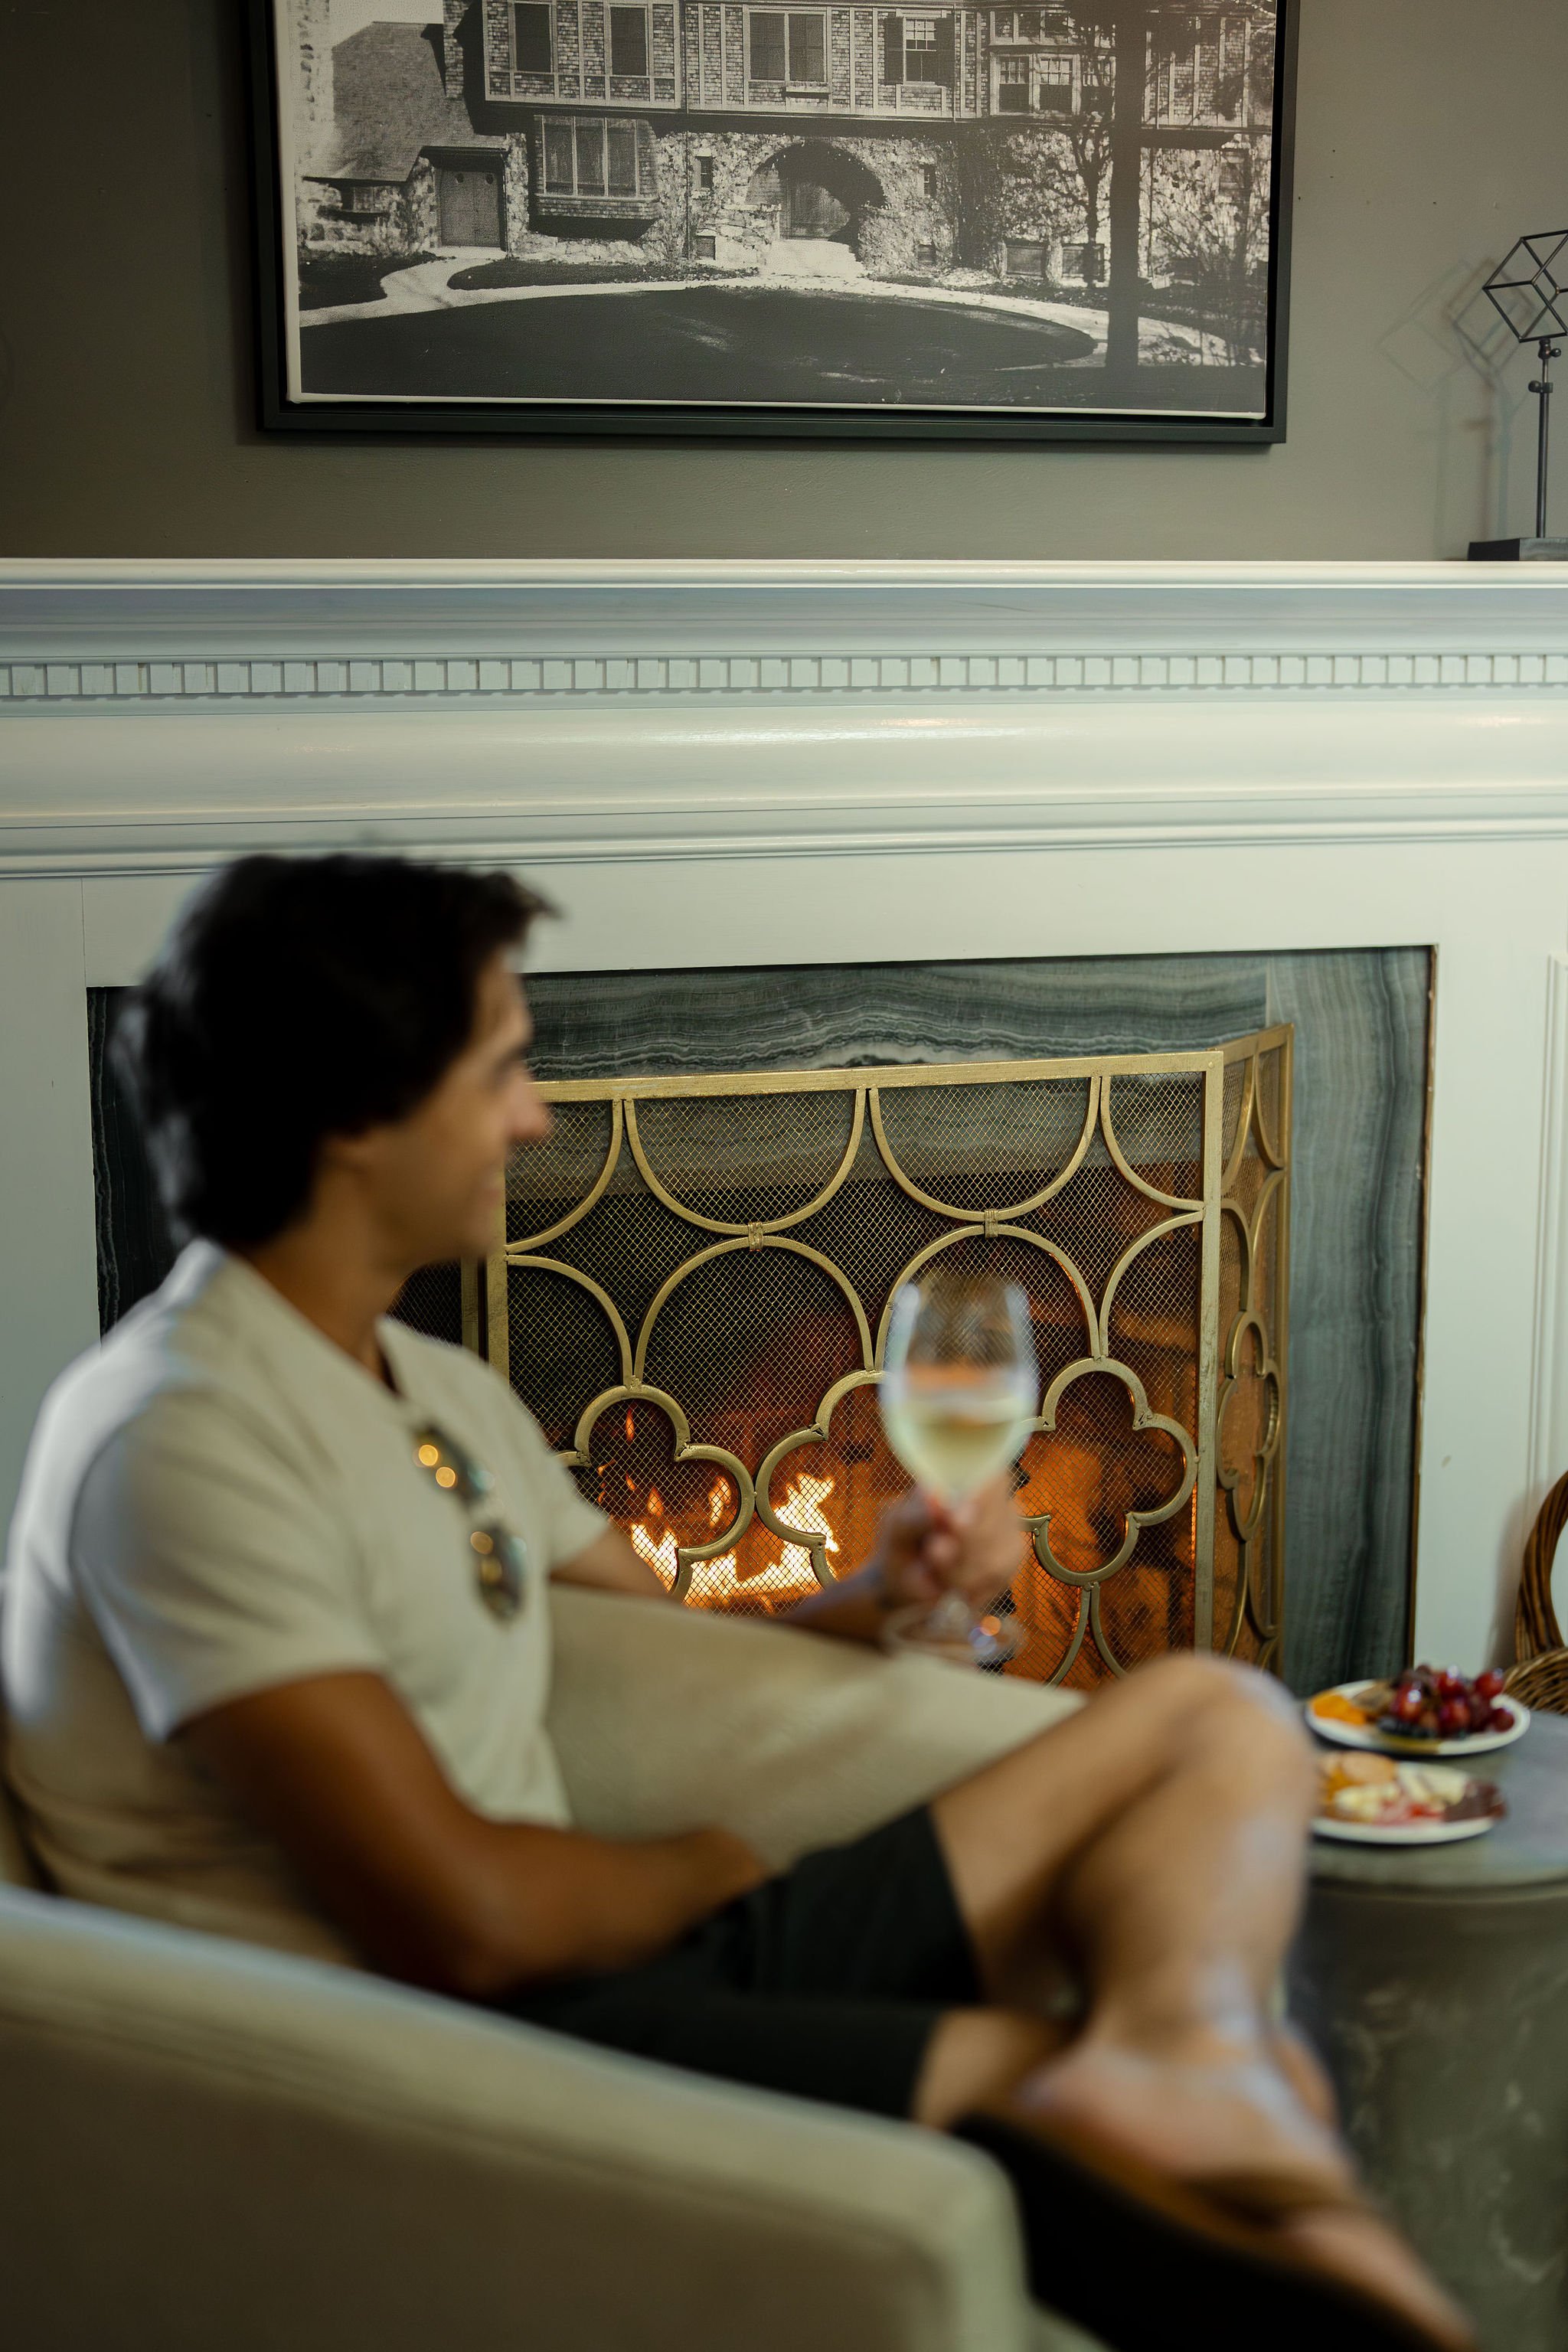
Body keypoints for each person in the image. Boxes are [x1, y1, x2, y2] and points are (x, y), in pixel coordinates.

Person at [1, 855, 1466, 2352]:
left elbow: (669, 1643)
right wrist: (714, 1861)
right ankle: (1225, 2140)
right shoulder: (183, 1438)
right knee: (1104, 2104)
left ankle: (1182, 2045)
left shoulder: (424, 1388)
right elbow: (460, 1922)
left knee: (1219, 1722)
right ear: (358, 1117)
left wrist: (867, 1600)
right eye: (501, 1071)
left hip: (606, 1935)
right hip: (428, 2046)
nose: (536, 1118)